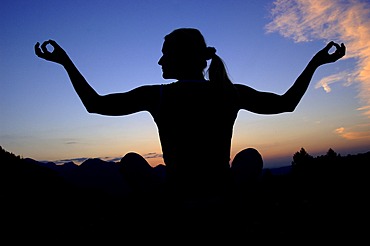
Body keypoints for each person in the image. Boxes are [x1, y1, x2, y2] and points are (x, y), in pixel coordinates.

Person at [34, 28, 345, 212]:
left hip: (176, 195)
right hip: (221, 190)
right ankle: (220, 204)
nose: (159, 60)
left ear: (181, 57)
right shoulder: (229, 93)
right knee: (250, 158)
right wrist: (316, 62)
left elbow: (95, 104)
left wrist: (64, 62)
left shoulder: (157, 95)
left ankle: (179, 210)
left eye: (165, 53)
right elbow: (286, 103)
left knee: (130, 161)